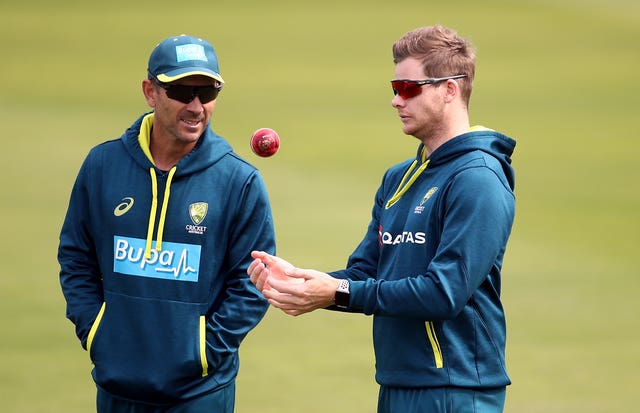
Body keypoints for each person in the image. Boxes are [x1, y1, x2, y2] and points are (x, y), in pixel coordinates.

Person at [248, 25, 516, 413]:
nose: (395, 100)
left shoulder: (478, 180)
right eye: (394, 87)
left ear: (450, 89)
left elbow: (445, 292)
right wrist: (305, 283)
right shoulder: (399, 179)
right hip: (398, 382)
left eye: (408, 88)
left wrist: (338, 292)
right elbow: (365, 272)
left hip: (456, 389)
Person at [58, 34, 275, 412]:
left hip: (199, 393)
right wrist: (96, 334)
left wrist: (205, 352)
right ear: (150, 91)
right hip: (118, 387)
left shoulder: (238, 180)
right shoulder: (102, 166)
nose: (196, 106)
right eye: (182, 91)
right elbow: (76, 259)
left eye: (207, 93)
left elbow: (254, 281)